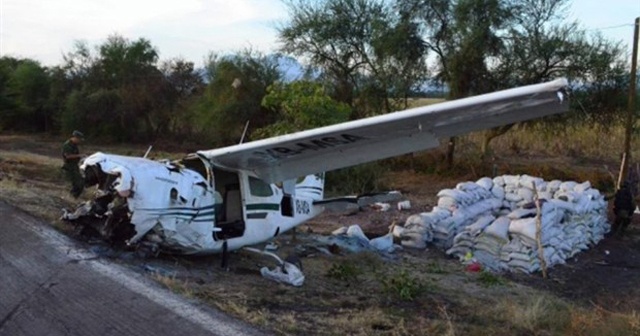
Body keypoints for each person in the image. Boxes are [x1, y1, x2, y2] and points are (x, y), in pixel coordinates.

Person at [62, 130, 85, 198]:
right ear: (75, 138)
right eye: (79, 139)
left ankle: (74, 196)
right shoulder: (67, 145)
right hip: (69, 167)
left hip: (75, 166)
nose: (80, 141)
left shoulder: (74, 145)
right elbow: (67, 156)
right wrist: (79, 155)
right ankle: (71, 196)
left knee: (80, 183)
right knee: (77, 183)